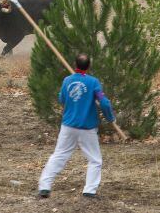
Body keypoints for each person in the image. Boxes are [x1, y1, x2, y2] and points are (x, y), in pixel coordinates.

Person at [38, 54, 115, 199]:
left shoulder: (67, 80)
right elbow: (104, 102)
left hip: (68, 126)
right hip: (87, 128)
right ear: (89, 66)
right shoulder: (93, 82)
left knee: (59, 155)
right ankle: (89, 190)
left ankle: (44, 186)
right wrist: (110, 118)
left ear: (75, 65)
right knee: (95, 160)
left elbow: (62, 98)